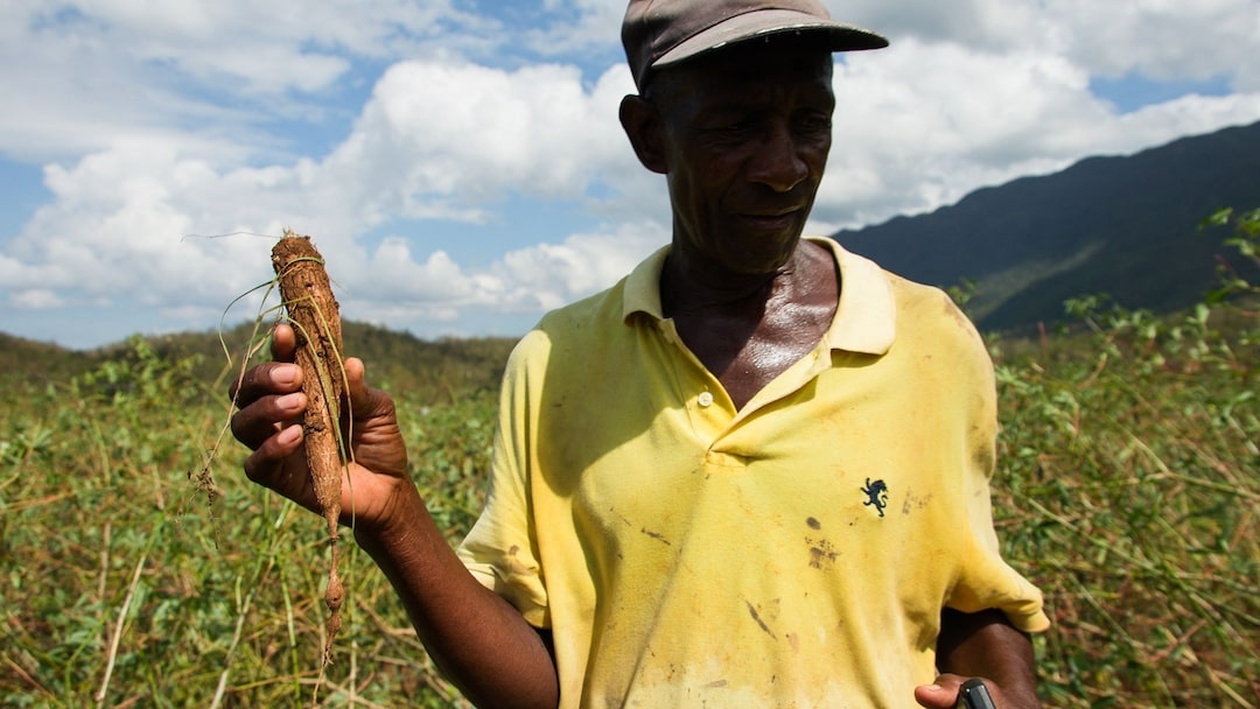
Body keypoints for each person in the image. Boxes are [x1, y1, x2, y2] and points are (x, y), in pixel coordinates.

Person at [230, 0, 1051, 706]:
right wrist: (391, 512)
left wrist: (1004, 688)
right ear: (649, 134)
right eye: (736, 126)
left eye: (810, 120)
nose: (783, 166)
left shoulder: (927, 338)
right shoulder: (557, 360)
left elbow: (970, 599)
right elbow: (540, 689)